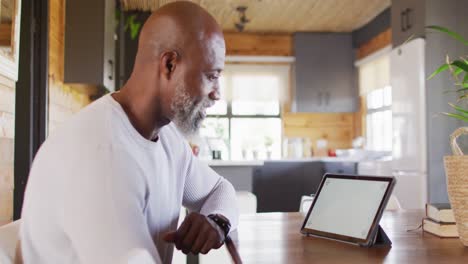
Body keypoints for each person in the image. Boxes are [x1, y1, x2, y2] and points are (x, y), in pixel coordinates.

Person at [19, 2, 238, 263]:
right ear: (169, 64)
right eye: (211, 76)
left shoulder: (166, 138)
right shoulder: (100, 154)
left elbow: (220, 189)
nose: (217, 93)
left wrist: (217, 221)